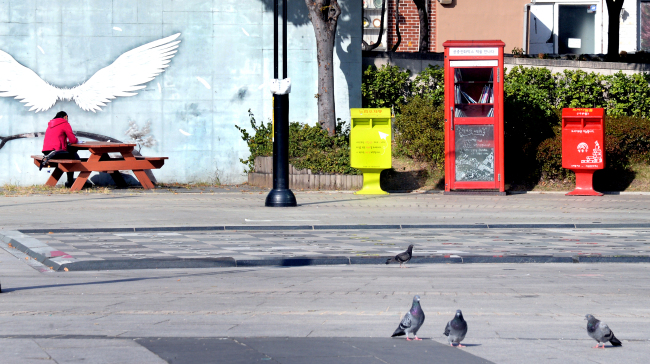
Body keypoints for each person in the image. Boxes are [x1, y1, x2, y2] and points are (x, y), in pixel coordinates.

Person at [42, 111, 80, 187]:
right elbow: (73, 140)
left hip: (47, 153)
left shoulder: (50, 124)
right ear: (65, 117)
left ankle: (70, 181)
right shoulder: (65, 123)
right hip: (56, 153)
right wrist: (76, 140)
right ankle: (70, 181)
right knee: (73, 156)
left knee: (70, 155)